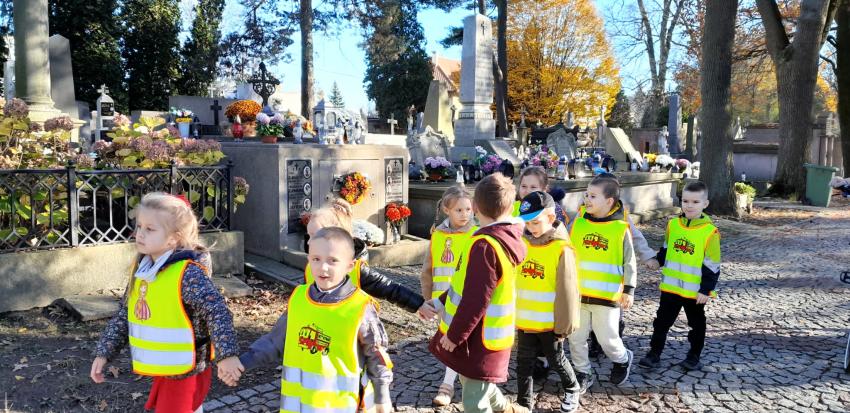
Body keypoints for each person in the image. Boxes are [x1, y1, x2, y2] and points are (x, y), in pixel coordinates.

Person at [91, 192, 241, 413]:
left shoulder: (187, 274)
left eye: (150, 229)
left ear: (173, 238)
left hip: (187, 371)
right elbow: (126, 314)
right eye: (139, 226)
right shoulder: (143, 269)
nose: (140, 234)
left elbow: (217, 311)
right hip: (167, 368)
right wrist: (104, 352)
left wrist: (227, 355)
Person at [230, 227, 392, 412]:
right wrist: (242, 363)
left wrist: (382, 397)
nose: (323, 267)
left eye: (333, 260)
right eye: (316, 259)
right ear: (308, 261)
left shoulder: (360, 306)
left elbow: (377, 354)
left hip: (342, 406)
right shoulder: (299, 298)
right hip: (298, 406)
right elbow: (275, 341)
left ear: (350, 266)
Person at [429, 173, 529, 413]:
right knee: (475, 380)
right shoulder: (502, 238)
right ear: (510, 207)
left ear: (474, 207)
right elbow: (465, 286)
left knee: (474, 400)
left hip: (480, 337)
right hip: (486, 334)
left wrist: (454, 335)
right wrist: (439, 302)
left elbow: (476, 299)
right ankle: (506, 408)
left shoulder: (484, 245)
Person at [304, 198, 436, 320]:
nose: (309, 242)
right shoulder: (311, 267)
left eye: (314, 236)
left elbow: (389, 288)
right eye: (308, 235)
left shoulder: (356, 270)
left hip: (352, 328)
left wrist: (419, 304)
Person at [638, 181, 720, 371]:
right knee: (661, 322)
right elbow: (666, 249)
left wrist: (706, 290)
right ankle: (654, 354)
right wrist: (657, 261)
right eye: (685, 201)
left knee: (696, 324)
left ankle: (694, 356)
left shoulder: (710, 232)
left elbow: (712, 265)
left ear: (705, 204)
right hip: (671, 288)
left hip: (694, 292)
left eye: (695, 202)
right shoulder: (673, 225)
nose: (689, 205)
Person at [514, 191, 581, 412]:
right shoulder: (522, 243)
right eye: (527, 223)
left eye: (535, 222)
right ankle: (524, 404)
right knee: (523, 363)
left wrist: (564, 326)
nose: (530, 227)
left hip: (550, 323)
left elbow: (568, 291)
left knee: (556, 359)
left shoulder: (562, 249)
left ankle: (572, 388)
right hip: (525, 320)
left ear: (551, 217)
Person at [568, 176, 636, 391]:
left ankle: (623, 359)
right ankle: (583, 372)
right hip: (578, 295)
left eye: (593, 196)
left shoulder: (620, 229)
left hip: (607, 297)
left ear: (609, 201)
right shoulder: (578, 223)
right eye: (586, 195)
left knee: (607, 340)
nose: (587, 199)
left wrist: (629, 290)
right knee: (575, 338)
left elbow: (629, 262)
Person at [420, 185, 479, 406]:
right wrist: (427, 300)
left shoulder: (476, 234)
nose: (465, 215)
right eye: (459, 210)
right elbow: (428, 269)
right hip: (443, 301)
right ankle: (467, 379)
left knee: (455, 341)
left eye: (468, 209)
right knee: (450, 341)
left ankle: (447, 385)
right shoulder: (438, 235)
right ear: (447, 210)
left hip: (465, 300)